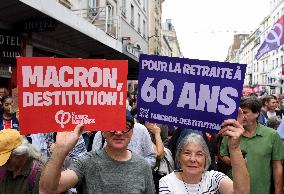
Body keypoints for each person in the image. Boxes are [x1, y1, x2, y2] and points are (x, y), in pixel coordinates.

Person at [39, 111, 155, 194]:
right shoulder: (87, 162)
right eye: (112, 126)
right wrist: (60, 150)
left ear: (132, 132)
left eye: (125, 127)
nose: (119, 132)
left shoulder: (143, 166)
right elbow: (48, 190)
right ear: (103, 132)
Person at [159, 115, 250, 194]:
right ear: (178, 157)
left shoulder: (214, 178)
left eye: (199, 154)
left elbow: (241, 192)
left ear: (207, 159)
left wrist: (234, 148)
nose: (193, 159)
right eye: (187, 153)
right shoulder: (167, 182)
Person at [220, 96, 284, 194]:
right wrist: (236, 161)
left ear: (256, 114)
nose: (241, 116)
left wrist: (278, 191)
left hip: (262, 190)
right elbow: (222, 155)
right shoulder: (231, 133)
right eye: (239, 113)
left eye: (245, 112)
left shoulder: (272, 135)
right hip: (235, 190)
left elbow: (277, 165)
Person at [0, 128, 42, 194]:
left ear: (21, 153)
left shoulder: (39, 174)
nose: (2, 164)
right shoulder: (3, 170)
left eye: (7, 160)